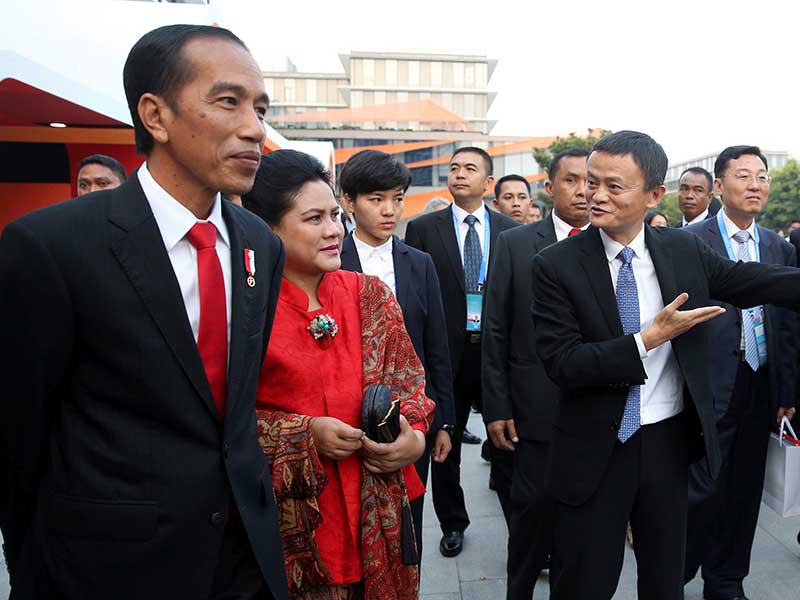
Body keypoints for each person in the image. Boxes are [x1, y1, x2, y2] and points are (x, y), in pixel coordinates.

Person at [0, 25, 287, 600]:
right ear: (155, 116)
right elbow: (16, 436)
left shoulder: (260, 243)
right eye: (228, 102)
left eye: (260, 109)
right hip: (108, 568)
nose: (254, 128)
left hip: (244, 558)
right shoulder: (52, 245)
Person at [531, 130, 800, 600]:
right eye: (592, 182)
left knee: (664, 580)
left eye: (614, 186)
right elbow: (564, 363)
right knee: (584, 581)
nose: (595, 195)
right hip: (596, 447)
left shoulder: (681, 250)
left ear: (654, 195)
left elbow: (751, 280)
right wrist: (647, 340)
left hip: (667, 444)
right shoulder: (555, 264)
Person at [242, 149, 434, 600]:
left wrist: (414, 440)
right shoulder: (247, 310)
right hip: (298, 527)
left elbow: (410, 387)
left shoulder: (370, 295)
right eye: (313, 219)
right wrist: (305, 434)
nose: (334, 230)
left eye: (333, 215)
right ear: (268, 229)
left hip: (379, 515)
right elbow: (225, 420)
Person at [684, 145, 799, 600]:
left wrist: (786, 391)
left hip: (759, 381)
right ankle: (676, 571)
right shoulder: (691, 242)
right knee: (699, 489)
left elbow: (788, 325)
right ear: (718, 186)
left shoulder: (778, 246)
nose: (755, 185)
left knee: (745, 490)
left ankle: (727, 581)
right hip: (709, 385)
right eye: (744, 176)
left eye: (762, 177)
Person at [337, 149, 455, 558]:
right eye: (376, 199)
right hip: (344, 415)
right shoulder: (331, 258)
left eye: (397, 199)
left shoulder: (419, 263)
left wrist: (443, 422)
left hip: (409, 419)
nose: (389, 210)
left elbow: (436, 347)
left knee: (408, 527)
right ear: (348, 201)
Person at [483, 148, 590, 599]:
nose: (584, 191)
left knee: (581, 535)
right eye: (572, 180)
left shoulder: (614, 242)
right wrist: (497, 407)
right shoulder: (516, 243)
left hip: (596, 411)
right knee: (530, 523)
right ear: (550, 187)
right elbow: (495, 329)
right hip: (533, 411)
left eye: (592, 182)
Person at [405, 146, 518, 558]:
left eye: (470, 168)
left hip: (495, 354)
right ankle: (453, 523)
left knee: (507, 441)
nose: (459, 174)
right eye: (453, 167)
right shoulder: (423, 228)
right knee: (444, 444)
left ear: (487, 182)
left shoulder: (510, 230)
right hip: (447, 354)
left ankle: (520, 528)